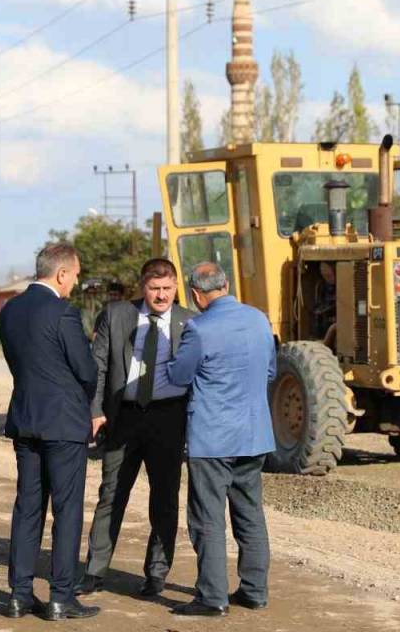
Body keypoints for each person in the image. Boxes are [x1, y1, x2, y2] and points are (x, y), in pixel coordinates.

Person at [77, 258, 195, 598]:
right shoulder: (116, 315)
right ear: (142, 287)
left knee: (165, 498)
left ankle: (156, 574)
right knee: (111, 494)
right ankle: (95, 571)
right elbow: (97, 368)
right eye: (155, 289)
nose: (161, 296)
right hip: (124, 417)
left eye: (168, 289)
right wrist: (95, 410)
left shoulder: (190, 322)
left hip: (169, 418)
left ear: (176, 286)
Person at [166, 261, 276, 617]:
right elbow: (271, 370)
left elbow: (180, 376)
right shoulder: (259, 320)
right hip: (255, 434)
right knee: (250, 515)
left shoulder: (199, 328)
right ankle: (255, 591)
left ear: (196, 294)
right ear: (226, 284)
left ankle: (212, 598)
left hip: (213, 439)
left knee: (207, 518)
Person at [0, 243, 100, 621]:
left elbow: (17, 364)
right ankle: (61, 597)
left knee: (28, 507)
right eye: (75, 275)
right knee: (67, 509)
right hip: (64, 424)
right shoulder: (63, 313)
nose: (75, 282)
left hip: (25, 418)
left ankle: (19, 595)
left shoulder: (10, 311)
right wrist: (84, 401)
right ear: (61, 274)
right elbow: (86, 371)